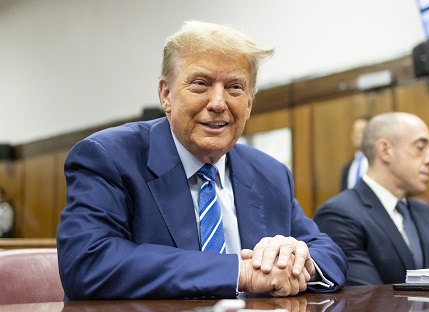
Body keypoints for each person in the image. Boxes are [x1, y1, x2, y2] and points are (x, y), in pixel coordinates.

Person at [56, 20, 347, 300]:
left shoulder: (270, 173)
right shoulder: (108, 157)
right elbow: (88, 263)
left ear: (249, 103)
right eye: (200, 84)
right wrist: (239, 272)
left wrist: (297, 260)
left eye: (235, 87)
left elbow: (328, 253)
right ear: (166, 94)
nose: (218, 103)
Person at [314, 112, 429, 285]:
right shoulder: (338, 216)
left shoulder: (428, 215)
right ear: (385, 151)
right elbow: (368, 298)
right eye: (420, 148)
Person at [340, 116, 369, 191]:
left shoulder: (378, 164)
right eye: (354, 130)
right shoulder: (347, 168)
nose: (356, 134)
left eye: (361, 130)